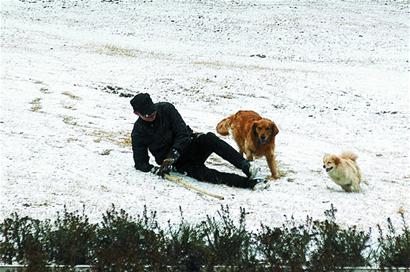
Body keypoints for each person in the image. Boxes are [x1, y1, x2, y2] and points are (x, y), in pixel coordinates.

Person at [130, 93, 269, 190]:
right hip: (177, 163)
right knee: (205, 175)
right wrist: (156, 169)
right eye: (148, 115)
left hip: (189, 145)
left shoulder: (166, 109)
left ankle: (246, 166)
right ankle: (249, 183)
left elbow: (182, 133)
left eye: (153, 112)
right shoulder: (138, 132)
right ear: (137, 114)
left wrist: (175, 151)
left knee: (209, 138)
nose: (152, 116)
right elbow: (140, 162)